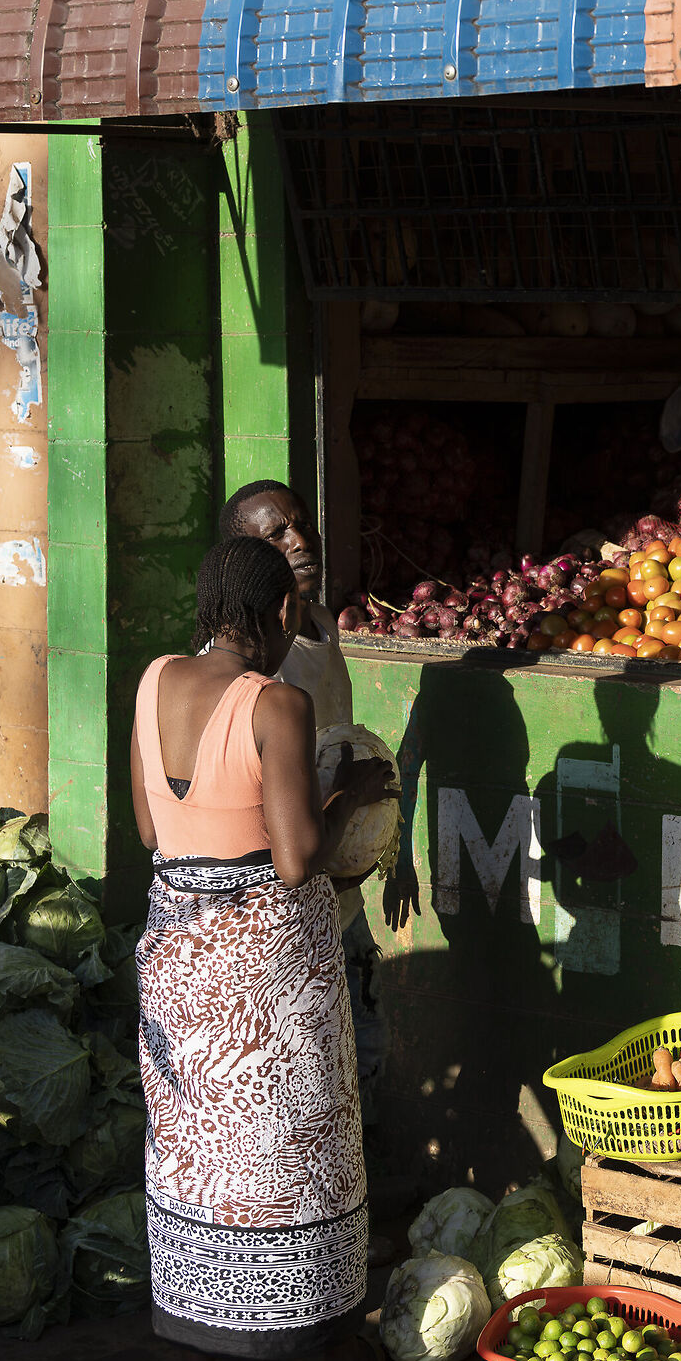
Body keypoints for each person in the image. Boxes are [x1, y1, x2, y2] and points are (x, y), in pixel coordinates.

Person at [128, 536, 398, 1361]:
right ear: (282, 612)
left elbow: (150, 828)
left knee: (194, 1162)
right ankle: (336, 1354)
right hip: (266, 982)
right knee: (297, 1154)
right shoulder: (276, 703)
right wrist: (346, 790)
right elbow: (294, 858)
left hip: (178, 969)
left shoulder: (152, 683)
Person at [219, 480, 398, 1266]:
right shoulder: (260, 665)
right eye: (274, 534)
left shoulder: (320, 629)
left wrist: (385, 848)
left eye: (300, 524)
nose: (299, 541)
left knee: (360, 1060)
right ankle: (322, 1246)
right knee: (319, 1083)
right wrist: (345, 801)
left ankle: (347, 1226)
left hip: (339, 893)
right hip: (298, 896)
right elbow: (276, 817)